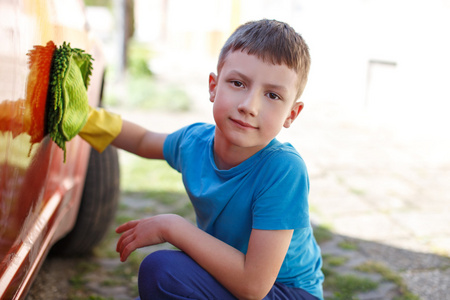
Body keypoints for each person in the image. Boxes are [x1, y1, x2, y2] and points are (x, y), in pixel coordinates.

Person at [79, 19, 324, 300]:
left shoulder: (283, 170)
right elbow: (143, 140)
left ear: (291, 114)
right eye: (237, 83)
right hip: (232, 281)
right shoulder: (194, 142)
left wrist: (171, 226)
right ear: (213, 86)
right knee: (160, 285)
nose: (249, 106)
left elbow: (254, 286)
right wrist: (83, 118)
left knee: (163, 271)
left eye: (272, 95)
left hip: (284, 292)